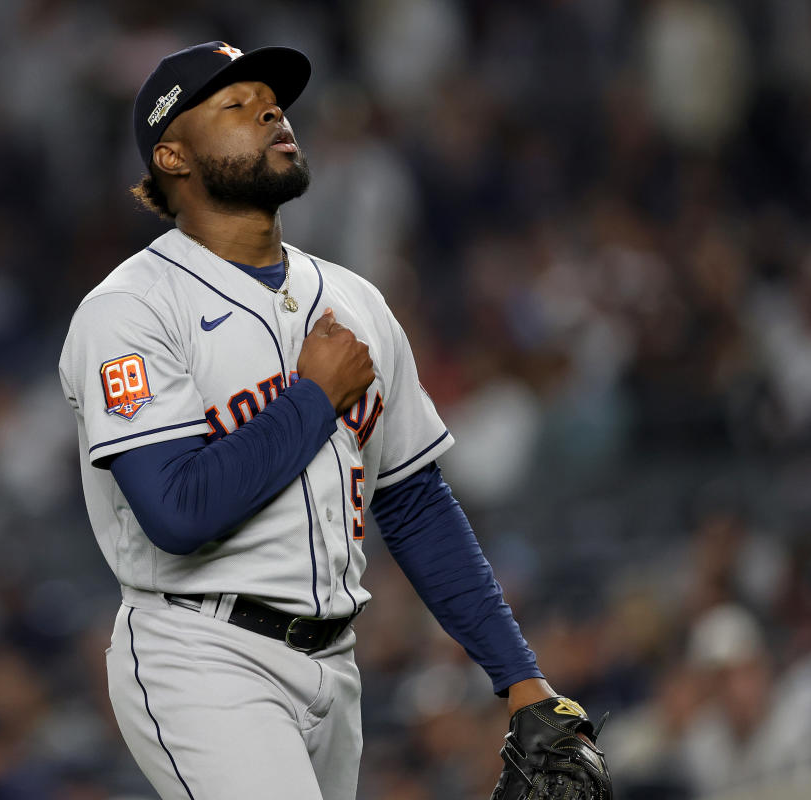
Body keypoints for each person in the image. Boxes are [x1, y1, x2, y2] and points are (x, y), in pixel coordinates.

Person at [58, 41, 607, 799]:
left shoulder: (357, 303)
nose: (271, 111)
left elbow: (414, 502)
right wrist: (314, 398)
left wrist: (519, 678)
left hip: (334, 666)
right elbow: (177, 512)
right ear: (174, 157)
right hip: (201, 652)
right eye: (236, 104)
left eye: (272, 100)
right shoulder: (132, 310)